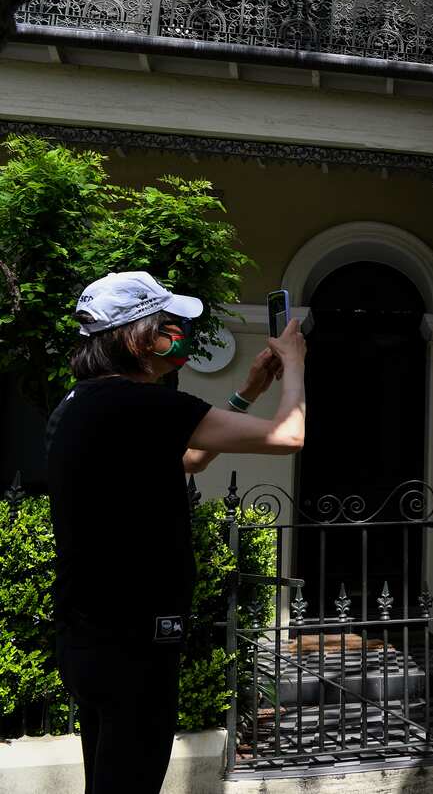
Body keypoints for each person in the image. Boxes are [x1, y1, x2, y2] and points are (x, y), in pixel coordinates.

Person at [45, 271, 308, 794]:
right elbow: (290, 435)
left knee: (110, 774)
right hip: (132, 640)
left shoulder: (83, 404)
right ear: (136, 337)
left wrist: (250, 388)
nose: (180, 333)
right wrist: (296, 362)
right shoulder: (140, 405)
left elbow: (187, 460)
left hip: (90, 634)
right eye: (170, 324)